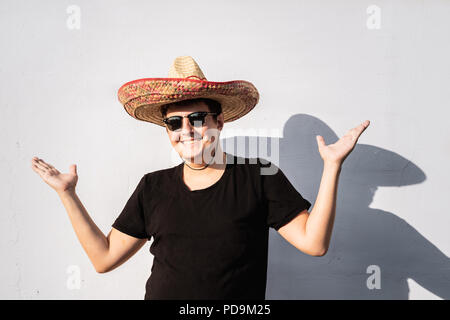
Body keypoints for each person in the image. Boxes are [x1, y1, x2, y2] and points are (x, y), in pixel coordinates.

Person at [31, 56, 370, 299]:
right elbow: (103, 259)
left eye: (196, 117)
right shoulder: (153, 186)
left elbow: (314, 243)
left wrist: (332, 166)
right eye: (174, 123)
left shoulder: (259, 175)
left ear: (218, 121)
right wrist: (67, 194)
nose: (186, 130)